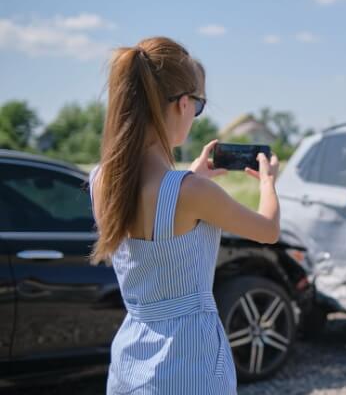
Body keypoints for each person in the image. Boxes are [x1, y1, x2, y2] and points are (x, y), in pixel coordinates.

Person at [88, 36, 280, 394]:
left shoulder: (100, 180)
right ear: (183, 103)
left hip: (130, 362)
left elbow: (159, 202)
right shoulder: (191, 192)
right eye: (199, 105)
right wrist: (268, 182)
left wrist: (191, 177)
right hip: (189, 365)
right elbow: (268, 230)